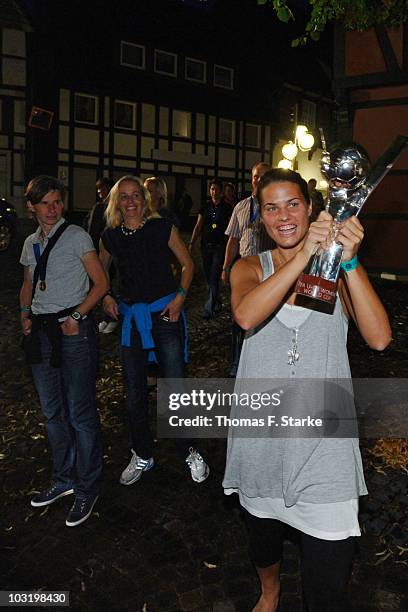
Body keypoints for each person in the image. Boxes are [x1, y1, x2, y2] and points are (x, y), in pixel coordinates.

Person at [222, 169, 391, 611]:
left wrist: (348, 260)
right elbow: (246, 315)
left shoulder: (337, 268)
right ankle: (270, 591)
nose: (283, 216)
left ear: (311, 208)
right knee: (263, 539)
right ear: (259, 216)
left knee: (328, 584)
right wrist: (304, 256)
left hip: (324, 442)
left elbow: (378, 338)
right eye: (271, 207)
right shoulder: (247, 267)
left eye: (293, 203)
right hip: (263, 438)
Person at [99, 175, 209, 485]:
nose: (131, 201)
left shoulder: (161, 227)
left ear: (145, 200)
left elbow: (188, 265)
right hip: (133, 321)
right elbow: (99, 271)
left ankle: (188, 449)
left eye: (136, 195)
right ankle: (142, 453)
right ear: (116, 202)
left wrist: (180, 299)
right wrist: (106, 295)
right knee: (134, 393)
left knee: (175, 389)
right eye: (125, 196)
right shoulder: (110, 236)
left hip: (166, 316)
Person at [19, 175, 108, 527]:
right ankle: (64, 478)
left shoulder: (77, 236)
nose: (53, 209)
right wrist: (24, 316)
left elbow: (101, 283)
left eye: (57, 202)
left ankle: (88, 486)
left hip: (73, 332)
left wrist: (77, 314)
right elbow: (27, 285)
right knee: (52, 413)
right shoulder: (30, 243)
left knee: (79, 413)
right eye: (45, 203)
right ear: (32, 207)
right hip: (40, 332)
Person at [221, 161, 273, 376]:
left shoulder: (273, 207)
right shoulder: (241, 207)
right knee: (239, 316)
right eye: (255, 176)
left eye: (263, 176)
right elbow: (233, 240)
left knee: (266, 317)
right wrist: (225, 268)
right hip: (244, 271)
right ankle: (237, 361)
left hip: (269, 271)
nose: (258, 180)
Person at [189, 178, 232, 319]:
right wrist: (191, 242)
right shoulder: (205, 207)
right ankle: (217, 300)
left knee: (214, 277)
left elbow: (231, 229)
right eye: (212, 189)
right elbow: (198, 226)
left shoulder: (227, 208)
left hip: (219, 247)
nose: (214, 192)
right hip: (205, 246)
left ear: (221, 191)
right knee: (208, 277)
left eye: (217, 189)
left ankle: (209, 308)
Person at [84, 177, 117, 334]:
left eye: (103, 189)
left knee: (107, 284)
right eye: (98, 189)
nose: (100, 192)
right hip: (95, 252)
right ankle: (102, 316)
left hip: (111, 253)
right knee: (98, 285)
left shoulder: (115, 208)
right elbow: (91, 230)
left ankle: (110, 317)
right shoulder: (98, 207)